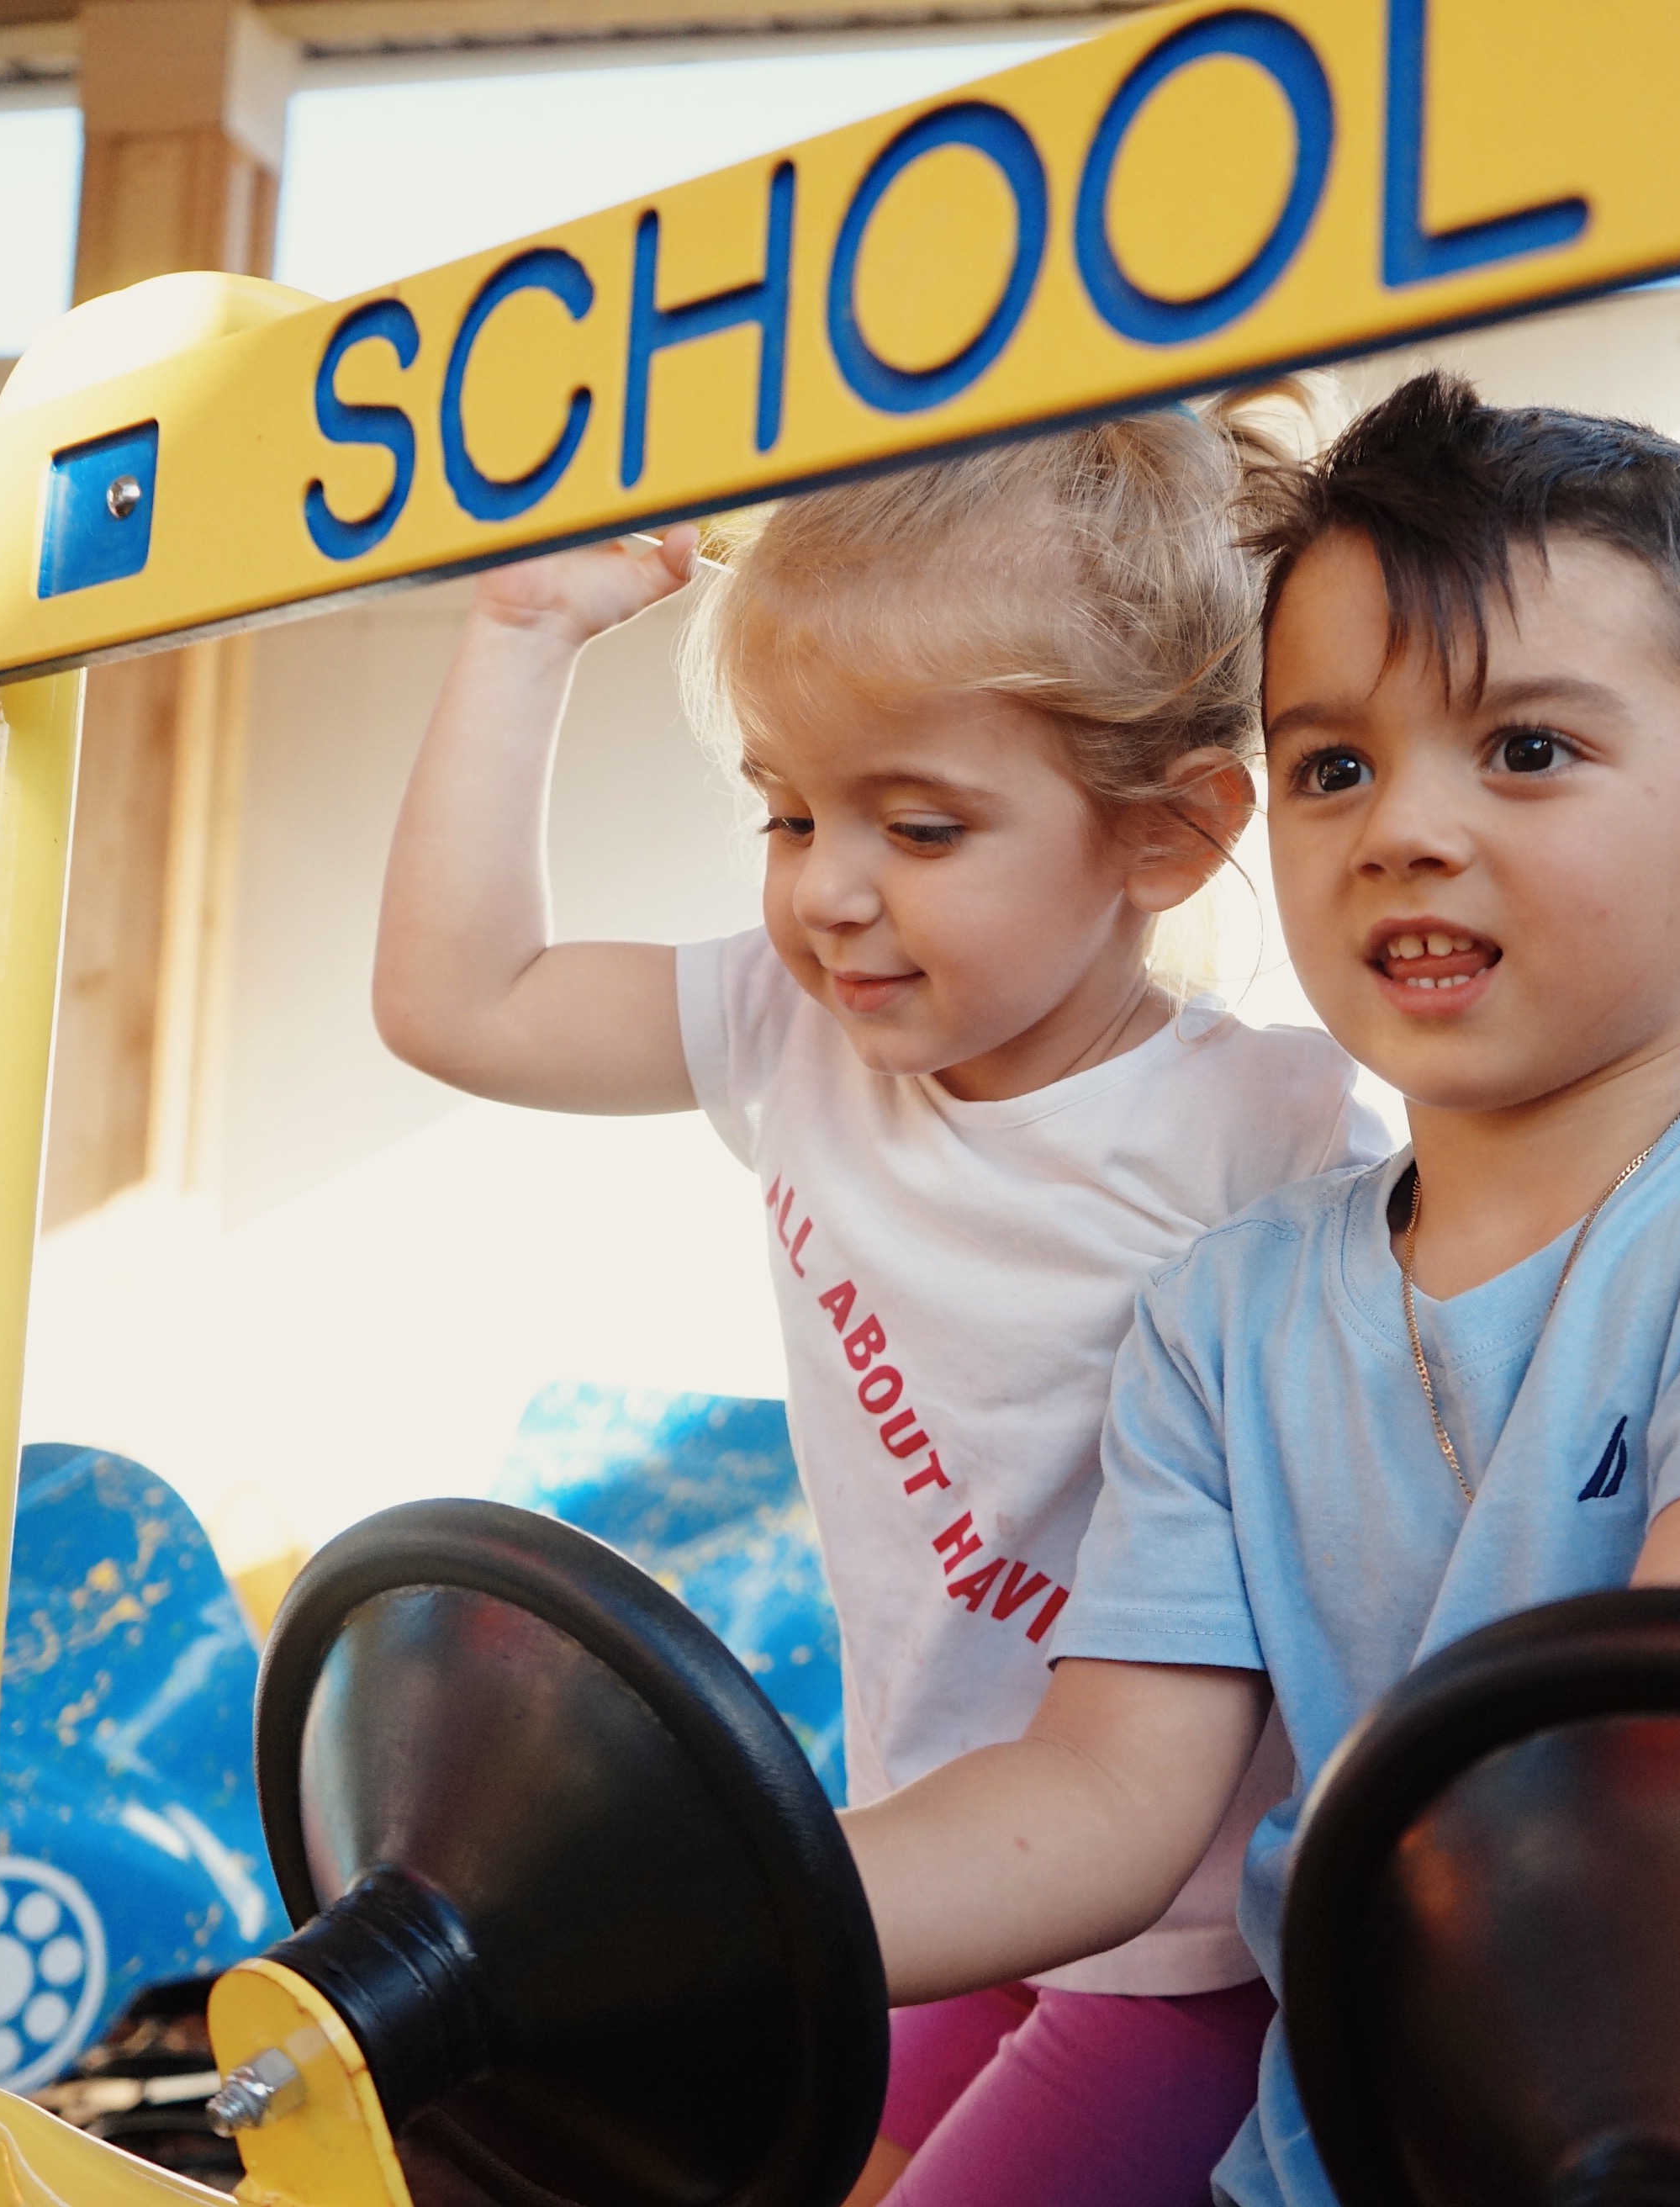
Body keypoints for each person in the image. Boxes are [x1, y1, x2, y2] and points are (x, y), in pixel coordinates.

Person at [838, 372, 1680, 2207]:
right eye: (1333, 767)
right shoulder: (1218, 1318)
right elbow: (1100, 1806)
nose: (1399, 827)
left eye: (1526, 749)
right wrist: (729, 1904)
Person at [371, 400, 1384, 2207]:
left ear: (1164, 836)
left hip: (1178, 1933)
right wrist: (518, 634)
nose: (830, 887)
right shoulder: (797, 1035)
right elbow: (466, 997)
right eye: (787, 811)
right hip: (933, 1843)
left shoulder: (1264, 1128)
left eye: (919, 824)